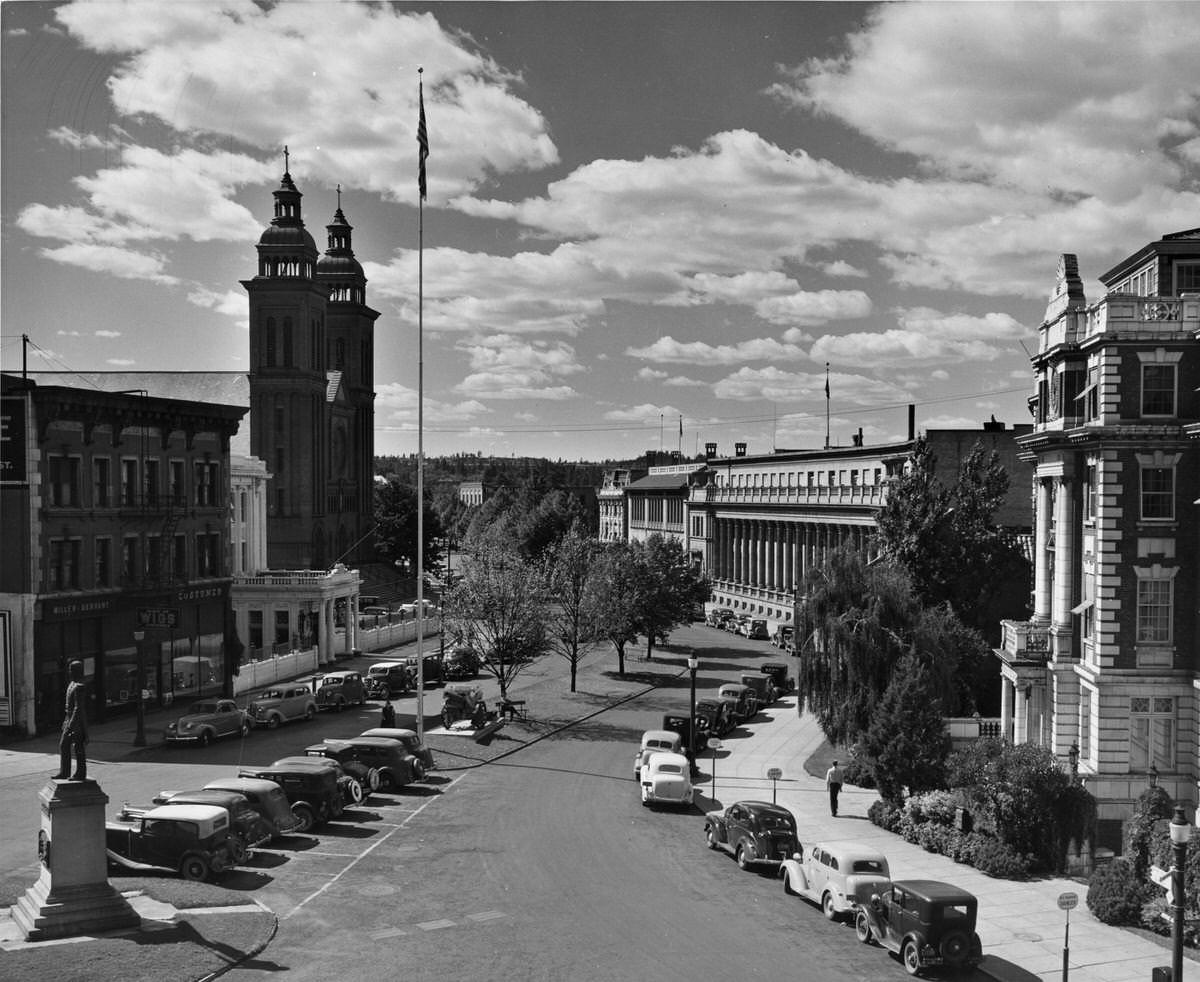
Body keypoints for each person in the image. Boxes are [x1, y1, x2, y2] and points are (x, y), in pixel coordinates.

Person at [56, 660, 89, 781]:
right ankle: (64, 772)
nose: (69, 671)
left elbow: (77, 708)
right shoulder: (72, 684)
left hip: (77, 723)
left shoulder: (79, 686)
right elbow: (69, 708)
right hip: (69, 720)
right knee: (64, 745)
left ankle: (81, 773)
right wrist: (65, 722)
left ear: (76, 671)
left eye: (71, 669)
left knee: (78, 748)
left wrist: (71, 724)